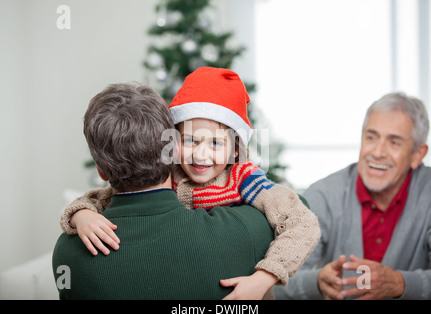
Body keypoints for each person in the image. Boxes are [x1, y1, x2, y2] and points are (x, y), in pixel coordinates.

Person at [59, 67, 321, 299]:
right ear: (173, 143)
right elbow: (98, 198)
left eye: (216, 143)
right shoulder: (169, 172)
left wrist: (263, 279)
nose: (201, 155)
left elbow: (302, 221)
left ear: (236, 150)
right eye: (190, 141)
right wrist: (81, 215)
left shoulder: (244, 179)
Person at [274, 92, 431, 300]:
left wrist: (400, 284)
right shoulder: (324, 194)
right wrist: (316, 283)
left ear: (417, 154)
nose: (377, 152)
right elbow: (275, 281)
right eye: (371, 137)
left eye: (394, 142)